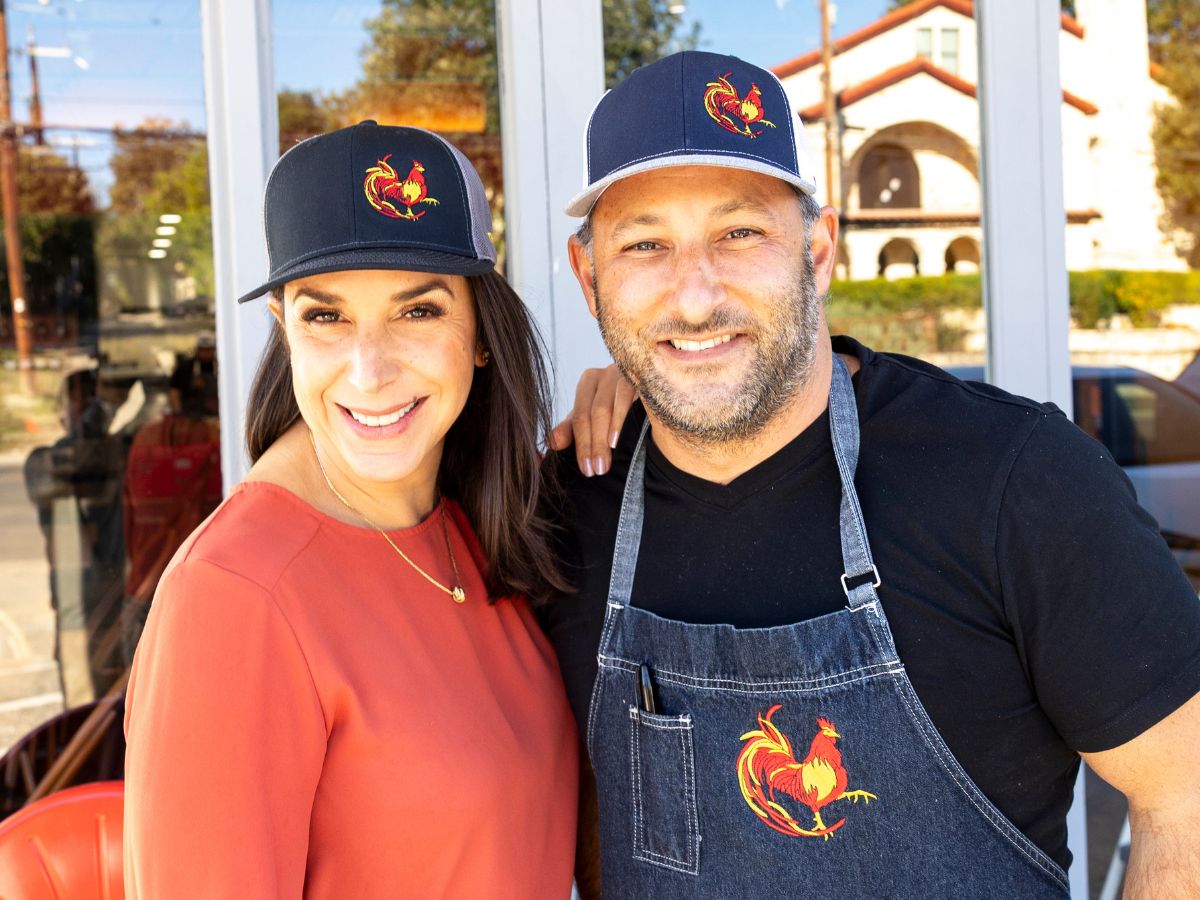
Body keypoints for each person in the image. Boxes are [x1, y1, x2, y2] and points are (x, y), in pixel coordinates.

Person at [543, 51, 1200, 898]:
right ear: (588, 276)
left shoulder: (1013, 480)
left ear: (818, 253)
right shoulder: (562, 509)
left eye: (740, 233)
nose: (695, 294)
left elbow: (1183, 795)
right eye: (644, 245)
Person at [123, 122, 579, 898]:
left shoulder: (473, 517)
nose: (369, 372)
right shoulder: (236, 597)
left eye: (418, 311)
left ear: (479, 333)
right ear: (284, 329)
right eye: (325, 316)